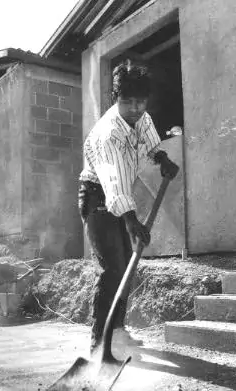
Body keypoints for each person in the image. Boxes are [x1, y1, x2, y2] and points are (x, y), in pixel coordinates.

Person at [79, 59, 180, 354]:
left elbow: (149, 143)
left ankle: (118, 332)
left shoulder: (142, 117)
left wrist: (161, 158)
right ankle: (100, 342)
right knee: (113, 268)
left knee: (127, 268)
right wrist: (131, 221)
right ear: (116, 99)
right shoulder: (109, 134)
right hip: (97, 196)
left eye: (140, 102)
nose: (135, 109)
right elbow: (114, 182)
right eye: (128, 102)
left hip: (118, 195)